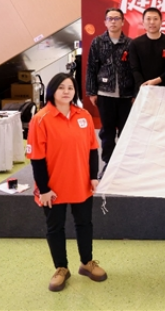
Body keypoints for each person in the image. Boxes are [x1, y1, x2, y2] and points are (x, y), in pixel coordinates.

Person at [26, 73, 107, 292]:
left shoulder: (84, 116)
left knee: (84, 223)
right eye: (61, 87)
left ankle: (87, 263)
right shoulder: (41, 119)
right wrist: (44, 189)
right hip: (53, 187)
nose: (66, 91)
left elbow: (92, 149)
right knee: (55, 227)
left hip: (81, 183)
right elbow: (36, 158)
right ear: (52, 90)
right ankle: (61, 268)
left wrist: (93, 177)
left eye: (70, 88)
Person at [85, 8, 134, 168]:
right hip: (104, 94)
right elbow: (91, 68)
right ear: (105, 22)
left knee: (126, 131)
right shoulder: (98, 42)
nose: (113, 22)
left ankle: (124, 164)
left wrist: (135, 93)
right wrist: (91, 91)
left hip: (126, 95)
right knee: (107, 131)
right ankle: (108, 163)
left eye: (116, 18)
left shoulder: (130, 43)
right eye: (110, 18)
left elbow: (134, 69)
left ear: (122, 22)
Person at [128, 8, 165, 95]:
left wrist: (157, 80)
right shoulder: (135, 43)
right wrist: (142, 86)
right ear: (143, 22)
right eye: (148, 19)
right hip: (143, 90)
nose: (152, 22)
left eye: (155, 19)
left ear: (161, 22)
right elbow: (135, 68)